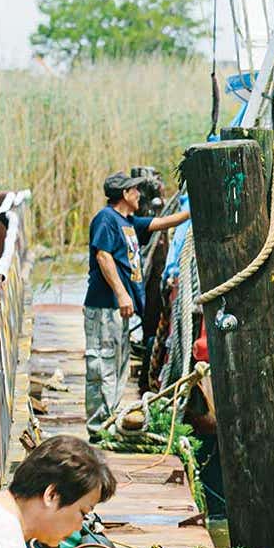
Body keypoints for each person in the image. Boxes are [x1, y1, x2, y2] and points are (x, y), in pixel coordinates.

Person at [84, 172, 190, 438]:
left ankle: (109, 423)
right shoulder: (106, 219)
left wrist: (195, 210)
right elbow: (103, 256)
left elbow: (163, 221)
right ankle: (98, 429)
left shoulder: (128, 222)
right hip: (105, 307)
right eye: (134, 191)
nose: (139, 195)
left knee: (118, 366)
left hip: (119, 310)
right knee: (103, 364)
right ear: (124, 194)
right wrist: (121, 294)